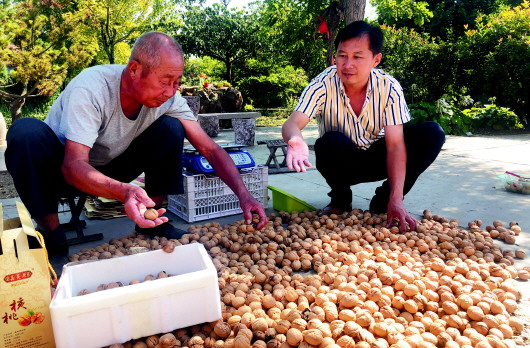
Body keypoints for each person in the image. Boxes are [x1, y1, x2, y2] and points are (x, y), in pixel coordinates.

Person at [5, 32, 268, 258]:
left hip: (111, 167)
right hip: (61, 170)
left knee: (170, 127)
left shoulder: (169, 99)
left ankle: (152, 221)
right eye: (165, 82)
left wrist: (244, 195)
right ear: (134, 70)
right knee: (25, 132)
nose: (171, 91)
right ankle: (52, 236)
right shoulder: (92, 88)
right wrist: (126, 192)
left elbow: (209, 149)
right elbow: (73, 166)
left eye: (176, 83)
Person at [282, 21, 445, 232]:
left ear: (375, 60)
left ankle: (386, 201)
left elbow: (395, 146)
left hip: (378, 158)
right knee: (328, 142)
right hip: (342, 161)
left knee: (432, 133)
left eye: (357, 56)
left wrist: (397, 198)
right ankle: (340, 200)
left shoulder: (389, 87)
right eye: (342, 55)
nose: (347, 64)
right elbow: (293, 122)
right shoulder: (323, 83)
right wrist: (295, 140)